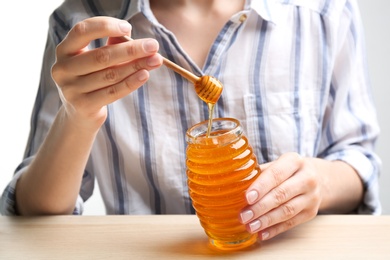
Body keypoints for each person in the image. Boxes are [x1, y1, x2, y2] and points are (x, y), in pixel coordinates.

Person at [0, 0, 381, 241]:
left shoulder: (323, 11)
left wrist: (318, 181)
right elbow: (36, 215)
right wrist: (78, 116)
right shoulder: (81, 25)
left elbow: (358, 159)